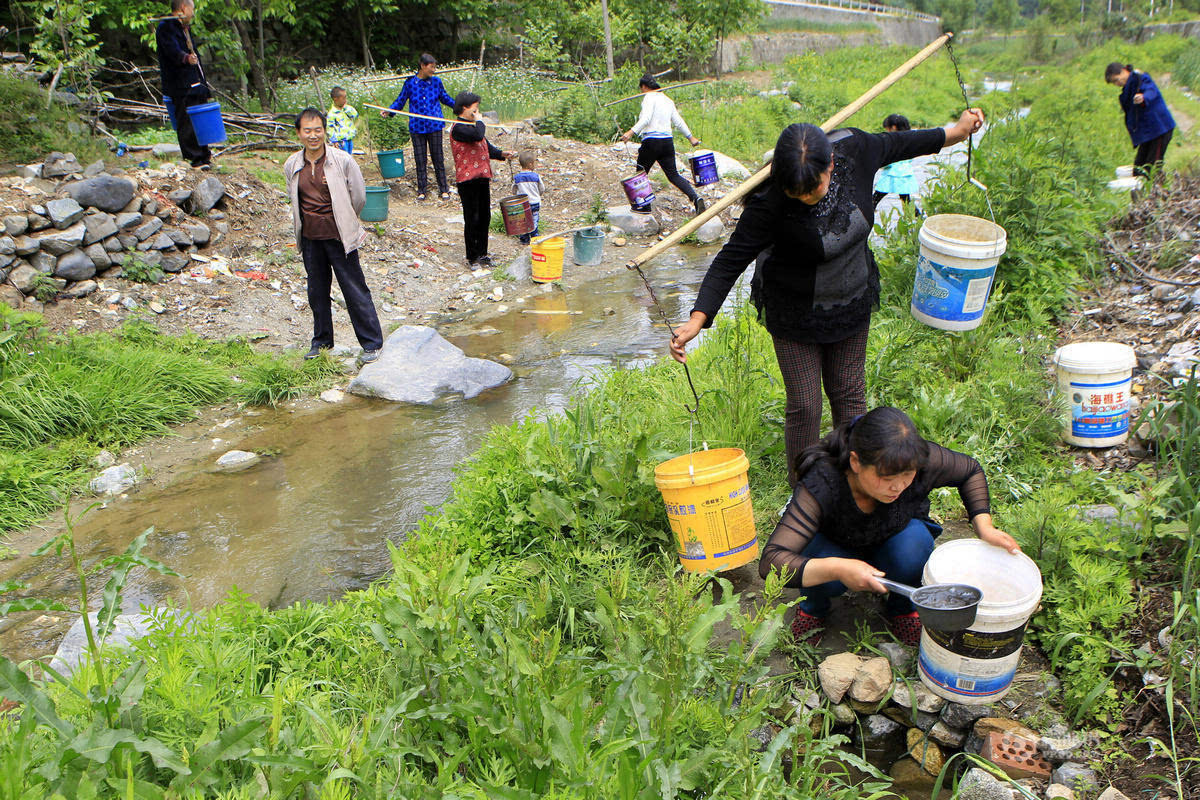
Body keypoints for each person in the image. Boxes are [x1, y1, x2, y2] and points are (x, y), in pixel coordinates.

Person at [669, 109, 985, 487]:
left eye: (812, 188)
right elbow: (730, 259)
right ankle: (805, 492)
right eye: (795, 192)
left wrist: (957, 131)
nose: (803, 197)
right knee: (805, 405)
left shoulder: (857, 148)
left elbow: (906, 143)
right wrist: (697, 318)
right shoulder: (770, 201)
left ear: (831, 165)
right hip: (793, 311)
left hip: (851, 299)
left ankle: (854, 484)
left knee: (849, 395)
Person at [759, 407, 1021, 647]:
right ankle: (813, 606)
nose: (898, 487)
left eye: (907, 476)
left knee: (914, 547)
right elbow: (771, 562)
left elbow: (970, 471)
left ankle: (903, 606)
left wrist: (984, 525)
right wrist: (838, 568)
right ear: (855, 462)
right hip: (837, 545)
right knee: (819, 563)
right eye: (886, 478)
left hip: (893, 537)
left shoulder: (915, 461)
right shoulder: (823, 481)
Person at [284, 108, 384, 365]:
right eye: (308, 131)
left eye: (318, 130)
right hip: (310, 239)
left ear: (325, 130)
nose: (313, 135)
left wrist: (346, 219)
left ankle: (372, 344)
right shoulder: (292, 164)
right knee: (316, 292)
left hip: (340, 237)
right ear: (299, 133)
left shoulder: (342, 160)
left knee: (354, 289)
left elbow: (358, 197)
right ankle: (321, 343)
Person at [620, 75, 706, 215]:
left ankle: (644, 206)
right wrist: (691, 138)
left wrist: (630, 132)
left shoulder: (649, 97)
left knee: (640, 174)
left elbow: (646, 118)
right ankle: (696, 198)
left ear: (644, 87)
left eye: (641, 89)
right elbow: (678, 121)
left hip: (651, 141)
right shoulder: (668, 100)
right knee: (673, 175)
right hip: (667, 142)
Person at [450, 92, 514, 268]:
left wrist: (502, 154)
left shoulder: (473, 126)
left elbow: (485, 146)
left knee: (484, 216)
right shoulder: (459, 128)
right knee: (472, 218)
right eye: (475, 108)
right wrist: (480, 121)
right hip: (467, 180)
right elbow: (478, 135)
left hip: (482, 178)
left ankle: (483, 254)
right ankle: (472, 257)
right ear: (465, 108)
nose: (478, 111)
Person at [383, 54, 456, 200]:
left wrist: (460, 107)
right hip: (417, 127)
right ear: (423, 65)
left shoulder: (436, 82)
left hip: (434, 125)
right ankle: (422, 190)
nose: (434, 70)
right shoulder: (410, 83)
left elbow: (445, 98)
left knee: (438, 158)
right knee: (420, 159)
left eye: (435, 67)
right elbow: (400, 100)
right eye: (432, 67)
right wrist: (389, 111)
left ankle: (444, 189)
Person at [156, 0, 211, 169]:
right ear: (183, 8)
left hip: (194, 82)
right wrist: (186, 58)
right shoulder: (166, 27)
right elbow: (172, 51)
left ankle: (204, 155)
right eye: (191, 9)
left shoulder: (184, 28)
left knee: (200, 118)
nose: (193, 13)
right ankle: (194, 157)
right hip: (179, 84)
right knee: (186, 121)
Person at [1104, 62, 1176, 178]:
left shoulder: (1141, 79)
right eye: (1114, 83)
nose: (1117, 84)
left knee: (1152, 167)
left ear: (1123, 71)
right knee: (1138, 169)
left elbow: (1151, 91)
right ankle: (1146, 193)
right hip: (1147, 133)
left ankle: (1158, 192)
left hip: (1159, 129)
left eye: (1117, 80)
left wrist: (1143, 97)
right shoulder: (1128, 89)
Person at [872, 114, 918, 211]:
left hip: (891, 174)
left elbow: (888, 158)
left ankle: (864, 217)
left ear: (893, 127)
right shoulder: (910, 139)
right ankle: (920, 218)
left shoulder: (894, 141)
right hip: (905, 174)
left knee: (875, 198)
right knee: (906, 200)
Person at [512, 150, 544, 245]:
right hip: (534, 202)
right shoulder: (536, 176)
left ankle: (524, 239)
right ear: (530, 164)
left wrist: (516, 195)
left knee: (523, 221)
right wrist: (538, 194)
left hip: (522, 203)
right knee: (534, 219)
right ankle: (534, 236)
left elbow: (514, 189)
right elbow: (542, 188)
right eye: (534, 163)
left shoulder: (517, 177)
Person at [326, 86, 359, 155]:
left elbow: (355, 115)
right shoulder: (332, 114)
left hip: (349, 138)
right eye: (343, 98)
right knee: (343, 157)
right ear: (335, 99)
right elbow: (330, 128)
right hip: (341, 141)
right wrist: (334, 140)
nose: (345, 100)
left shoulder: (347, 109)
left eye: (345, 97)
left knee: (349, 157)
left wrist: (346, 108)